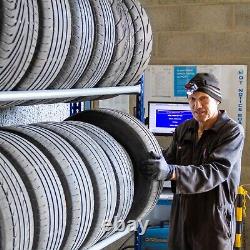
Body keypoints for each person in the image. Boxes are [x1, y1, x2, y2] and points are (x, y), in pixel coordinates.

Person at [143, 73, 245, 250]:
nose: (197, 105)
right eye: (192, 99)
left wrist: (172, 172)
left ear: (217, 100)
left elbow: (215, 171)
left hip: (213, 219)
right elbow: (168, 160)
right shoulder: (184, 129)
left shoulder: (231, 132)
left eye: (203, 99)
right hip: (181, 215)